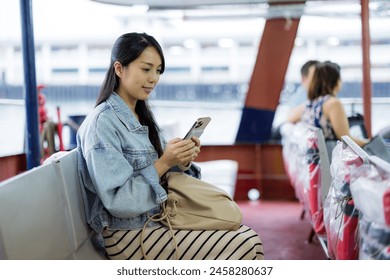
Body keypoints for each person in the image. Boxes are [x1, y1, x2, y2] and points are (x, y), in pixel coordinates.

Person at [76, 32, 264, 260]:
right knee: (245, 244)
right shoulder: (102, 124)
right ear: (119, 69)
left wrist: (181, 161)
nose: (154, 78)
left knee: (248, 239)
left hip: (156, 220)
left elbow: (164, 172)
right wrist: (165, 161)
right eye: (146, 69)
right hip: (125, 235)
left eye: (158, 71)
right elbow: (119, 201)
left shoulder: (141, 115)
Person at [287, 60, 369, 147]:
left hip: (315, 157)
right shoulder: (333, 104)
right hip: (332, 157)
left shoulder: (309, 105)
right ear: (336, 81)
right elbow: (346, 140)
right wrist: (370, 143)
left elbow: (289, 118)